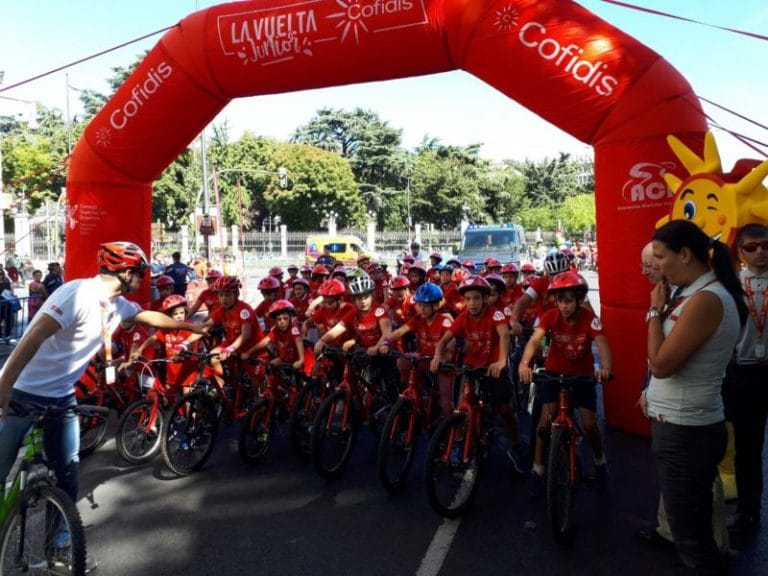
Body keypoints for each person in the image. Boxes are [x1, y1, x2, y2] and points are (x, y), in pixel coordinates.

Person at [0, 241, 206, 573]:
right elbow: (33, 336)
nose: (144, 279)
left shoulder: (117, 304)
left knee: (66, 474)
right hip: (21, 391)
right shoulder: (77, 295)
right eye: (140, 273)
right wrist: (5, 385)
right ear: (125, 273)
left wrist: (188, 326)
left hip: (61, 396)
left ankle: (60, 545)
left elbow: (146, 316)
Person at [645, 219, 746, 575]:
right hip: (681, 423)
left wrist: (654, 312)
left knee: (693, 541)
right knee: (691, 525)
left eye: (660, 256)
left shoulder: (705, 300)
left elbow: (660, 364)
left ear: (685, 255)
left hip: (687, 429)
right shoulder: (693, 293)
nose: (656, 265)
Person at [518, 271, 612, 498]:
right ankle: (538, 470)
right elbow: (534, 340)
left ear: (580, 300)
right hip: (554, 374)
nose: (564, 306)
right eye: (560, 300)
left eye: (569, 300)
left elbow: (603, 345)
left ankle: (600, 461)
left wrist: (606, 368)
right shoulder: (550, 317)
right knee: (544, 424)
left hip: (582, 377)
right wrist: (524, 363)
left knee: (589, 424)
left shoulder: (590, 319)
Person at [430, 275, 528, 474]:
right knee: (461, 408)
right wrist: (437, 356)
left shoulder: (496, 314)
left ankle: (516, 444)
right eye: (468, 299)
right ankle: (458, 444)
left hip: (494, 368)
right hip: (471, 368)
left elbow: (504, 335)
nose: (472, 303)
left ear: (484, 298)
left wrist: (501, 361)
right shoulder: (463, 317)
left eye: (476, 298)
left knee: (505, 410)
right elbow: (442, 340)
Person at [727, 223, 768, 546]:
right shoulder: (732, 286)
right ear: (740, 251)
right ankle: (748, 511)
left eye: (766, 245)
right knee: (748, 448)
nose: (760, 252)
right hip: (743, 374)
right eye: (751, 247)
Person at [0, 268, 16, 340]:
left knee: (9, 320)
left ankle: (7, 335)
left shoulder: (6, 281)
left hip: (7, 304)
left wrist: (11, 294)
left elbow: (9, 291)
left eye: (1, 273)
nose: (0, 275)